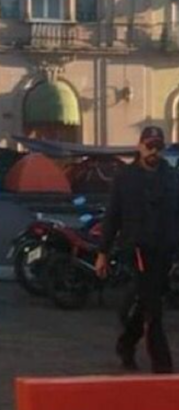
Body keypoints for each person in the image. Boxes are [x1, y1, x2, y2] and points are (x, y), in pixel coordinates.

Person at [96, 126, 177, 374]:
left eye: (158, 147)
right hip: (137, 247)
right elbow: (113, 216)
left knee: (146, 301)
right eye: (149, 145)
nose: (153, 151)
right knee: (153, 306)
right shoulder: (125, 178)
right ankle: (162, 365)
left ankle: (126, 344)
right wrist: (103, 252)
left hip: (165, 248)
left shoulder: (172, 177)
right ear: (140, 146)